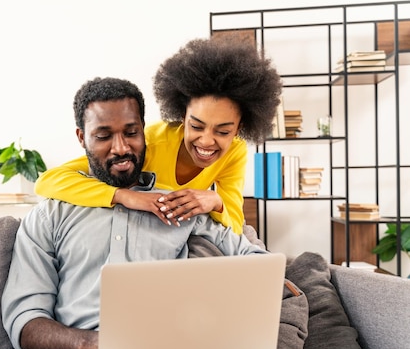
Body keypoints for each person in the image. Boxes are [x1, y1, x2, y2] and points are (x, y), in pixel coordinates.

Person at [1, 77, 327, 349]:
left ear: (144, 132)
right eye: (103, 136)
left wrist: (252, 279)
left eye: (131, 133)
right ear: (81, 137)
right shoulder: (51, 216)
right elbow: (25, 323)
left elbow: (254, 260)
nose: (121, 148)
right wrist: (90, 343)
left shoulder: (179, 203)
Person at [33, 36, 283, 235]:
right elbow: (48, 181)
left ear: (238, 129)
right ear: (182, 117)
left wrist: (216, 201)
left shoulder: (234, 151)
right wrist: (124, 196)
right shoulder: (146, 142)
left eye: (223, 131)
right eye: (196, 126)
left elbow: (236, 225)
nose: (207, 141)